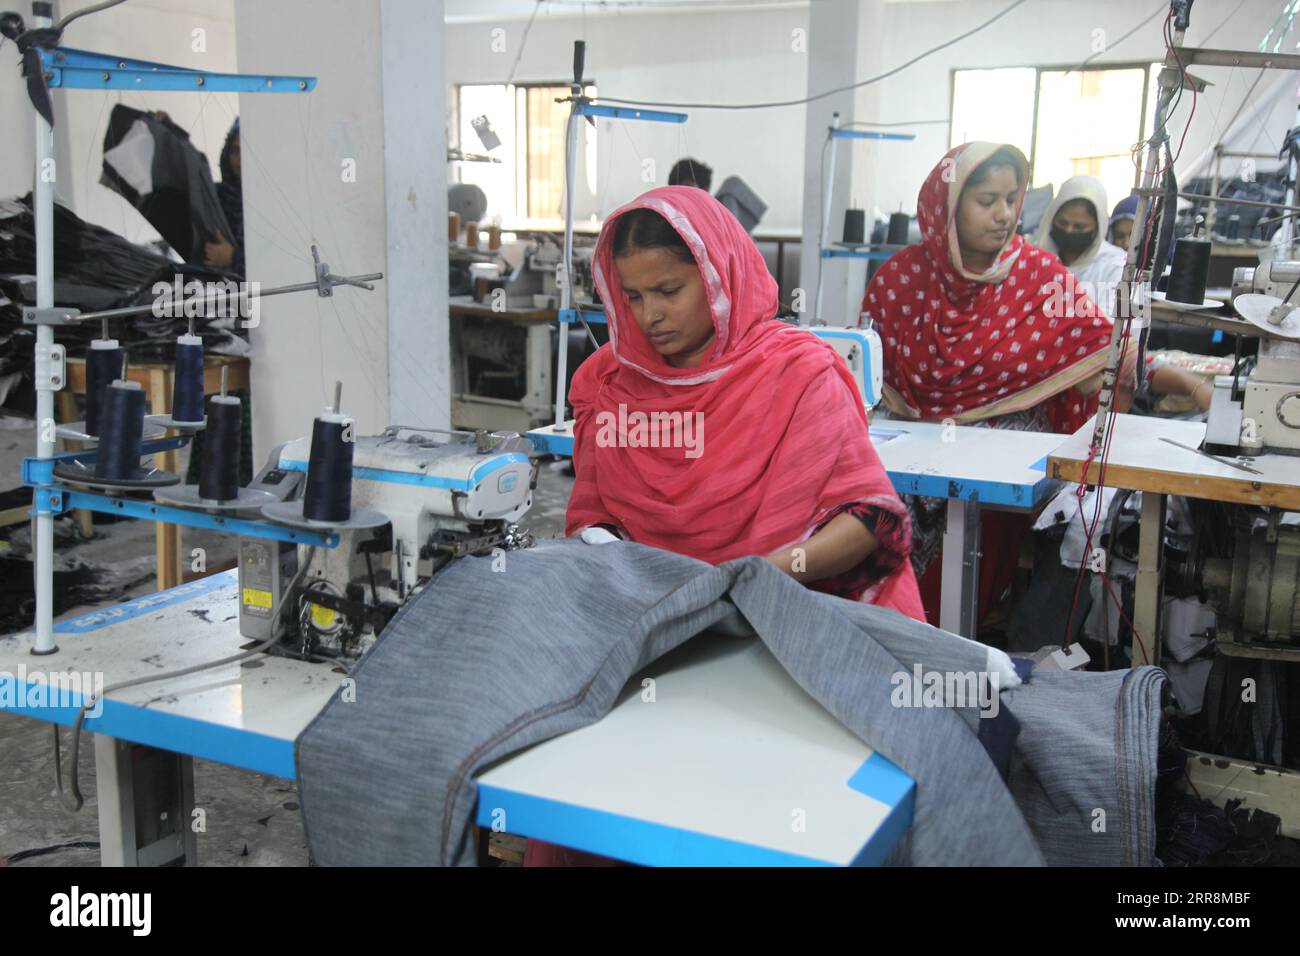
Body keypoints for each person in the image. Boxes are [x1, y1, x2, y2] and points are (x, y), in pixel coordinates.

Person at [526, 185, 923, 865]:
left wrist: (766, 575)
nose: (649, 315)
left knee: (760, 816)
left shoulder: (798, 374)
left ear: (718, 275)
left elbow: (868, 518)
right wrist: (626, 571)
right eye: (633, 295)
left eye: (669, 291)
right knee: (589, 791)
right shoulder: (609, 385)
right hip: (658, 634)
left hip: (785, 631)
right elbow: (592, 517)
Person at [1033, 175, 1128, 319]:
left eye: (1079, 227)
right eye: (1063, 223)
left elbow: (1124, 325)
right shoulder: (1036, 257)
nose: (1069, 231)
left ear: (1097, 227)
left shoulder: (1119, 265)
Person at [204, 118, 244, 275]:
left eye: (247, 151)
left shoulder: (272, 205)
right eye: (235, 151)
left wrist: (233, 258)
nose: (240, 160)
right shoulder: (216, 196)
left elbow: (279, 265)